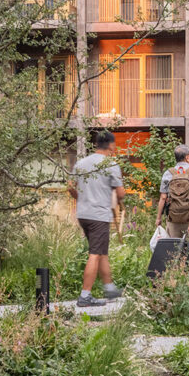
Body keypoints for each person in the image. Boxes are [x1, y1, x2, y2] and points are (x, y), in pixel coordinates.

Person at [68, 130, 126, 308]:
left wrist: (84, 199)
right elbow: (121, 193)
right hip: (99, 216)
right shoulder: (110, 164)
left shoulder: (82, 163)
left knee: (101, 251)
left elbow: (70, 187)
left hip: (83, 214)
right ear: (111, 145)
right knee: (95, 253)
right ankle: (85, 295)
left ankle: (109, 288)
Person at [155, 144, 189, 239]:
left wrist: (158, 218)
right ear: (187, 157)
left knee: (174, 248)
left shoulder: (168, 173)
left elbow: (163, 197)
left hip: (173, 217)